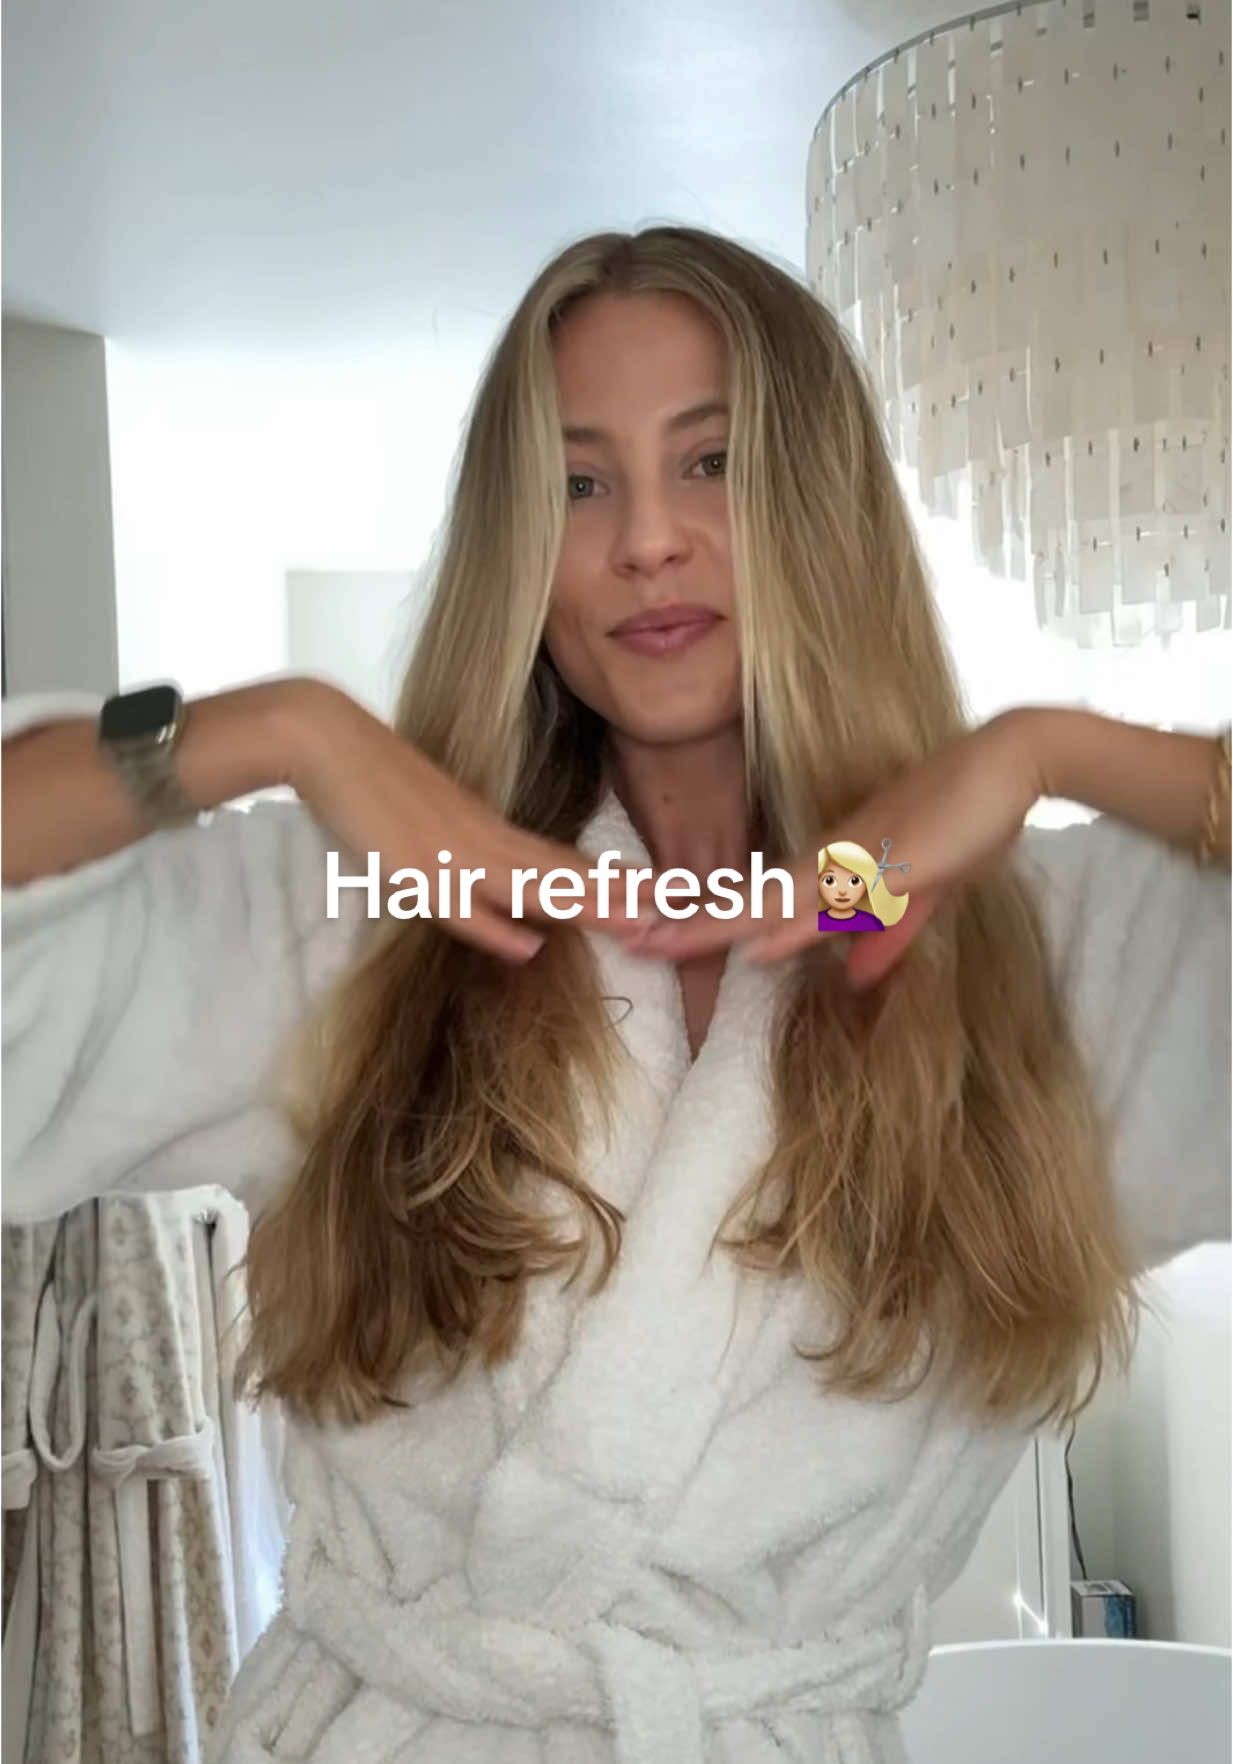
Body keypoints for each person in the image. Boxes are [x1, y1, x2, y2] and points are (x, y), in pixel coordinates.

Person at [3, 225, 1229, 1764]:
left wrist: (1054, 750)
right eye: (577, 484)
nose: (646, 539)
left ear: (818, 501)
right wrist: (270, 729)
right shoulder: (362, 917)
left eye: (711, 462)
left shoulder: (1046, 955)